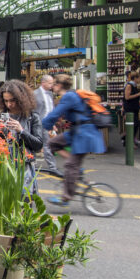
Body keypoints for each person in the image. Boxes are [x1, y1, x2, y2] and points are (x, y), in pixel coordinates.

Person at [41, 73, 106, 207]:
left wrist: (44, 124)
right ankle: (78, 169)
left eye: (54, 85)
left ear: (58, 85)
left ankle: (66, 197)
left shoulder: (69, 96)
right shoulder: (71, 95)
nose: (52, 87)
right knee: (52, 143)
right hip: (77, 132)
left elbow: (55, 114)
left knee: (70, 165)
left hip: (84, 134)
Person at [0, 80, 45, 192]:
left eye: (13, 100)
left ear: (22, 99)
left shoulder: (32, 117)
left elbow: (38, 144)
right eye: (6, 101)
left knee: (24, 200)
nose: (9, 104)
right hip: (2, 164)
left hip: (23, 166)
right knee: (3, 201)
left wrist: (21, 131)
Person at [33, 75, 59, 175]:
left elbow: (50, 109)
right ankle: (33, 164)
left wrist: (53, 123)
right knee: (35, 143)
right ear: (43, 83)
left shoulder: (50, 94)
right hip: (37, 122)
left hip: (48, 123)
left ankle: (52, 167)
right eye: (50, 83)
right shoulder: (34, 94)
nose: (51, 85)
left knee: (48, 144)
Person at [123, 69, 140, 146]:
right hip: (130, 108)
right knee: (133, 125)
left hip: (134, 107)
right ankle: (128, 142)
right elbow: (127, 97)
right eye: (139, 77)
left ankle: (128, 140)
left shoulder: (135, 86)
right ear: (135, 78)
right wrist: (139, 94)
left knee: (136, 124)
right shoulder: (129, 85)